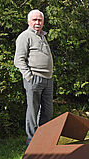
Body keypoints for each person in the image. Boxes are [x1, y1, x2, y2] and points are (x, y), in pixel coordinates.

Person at [14, 9, 54, 146]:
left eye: (40, 20)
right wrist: (29, 77)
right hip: (34, 79)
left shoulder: (42, 36)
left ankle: (43, 141)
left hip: (48, 79)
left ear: (43, 22)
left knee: (47, 112)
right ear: (28, 21)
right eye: (35, 20)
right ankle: (31, 143)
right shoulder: (25, 36)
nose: (37, 22)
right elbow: (18, 60)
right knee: (33, 111)